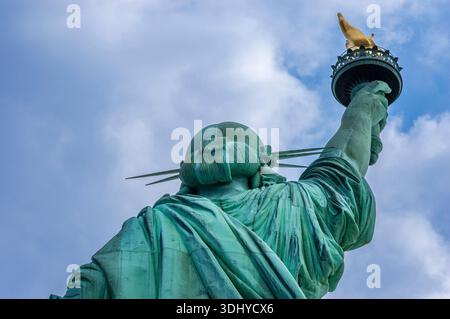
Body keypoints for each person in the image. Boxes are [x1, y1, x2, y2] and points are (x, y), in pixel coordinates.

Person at [52, 80, 391, 299]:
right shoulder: (294, 208)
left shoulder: (155, 225)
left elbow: (89, 287)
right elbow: (343, 163)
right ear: (261, 167)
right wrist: (363, 107)